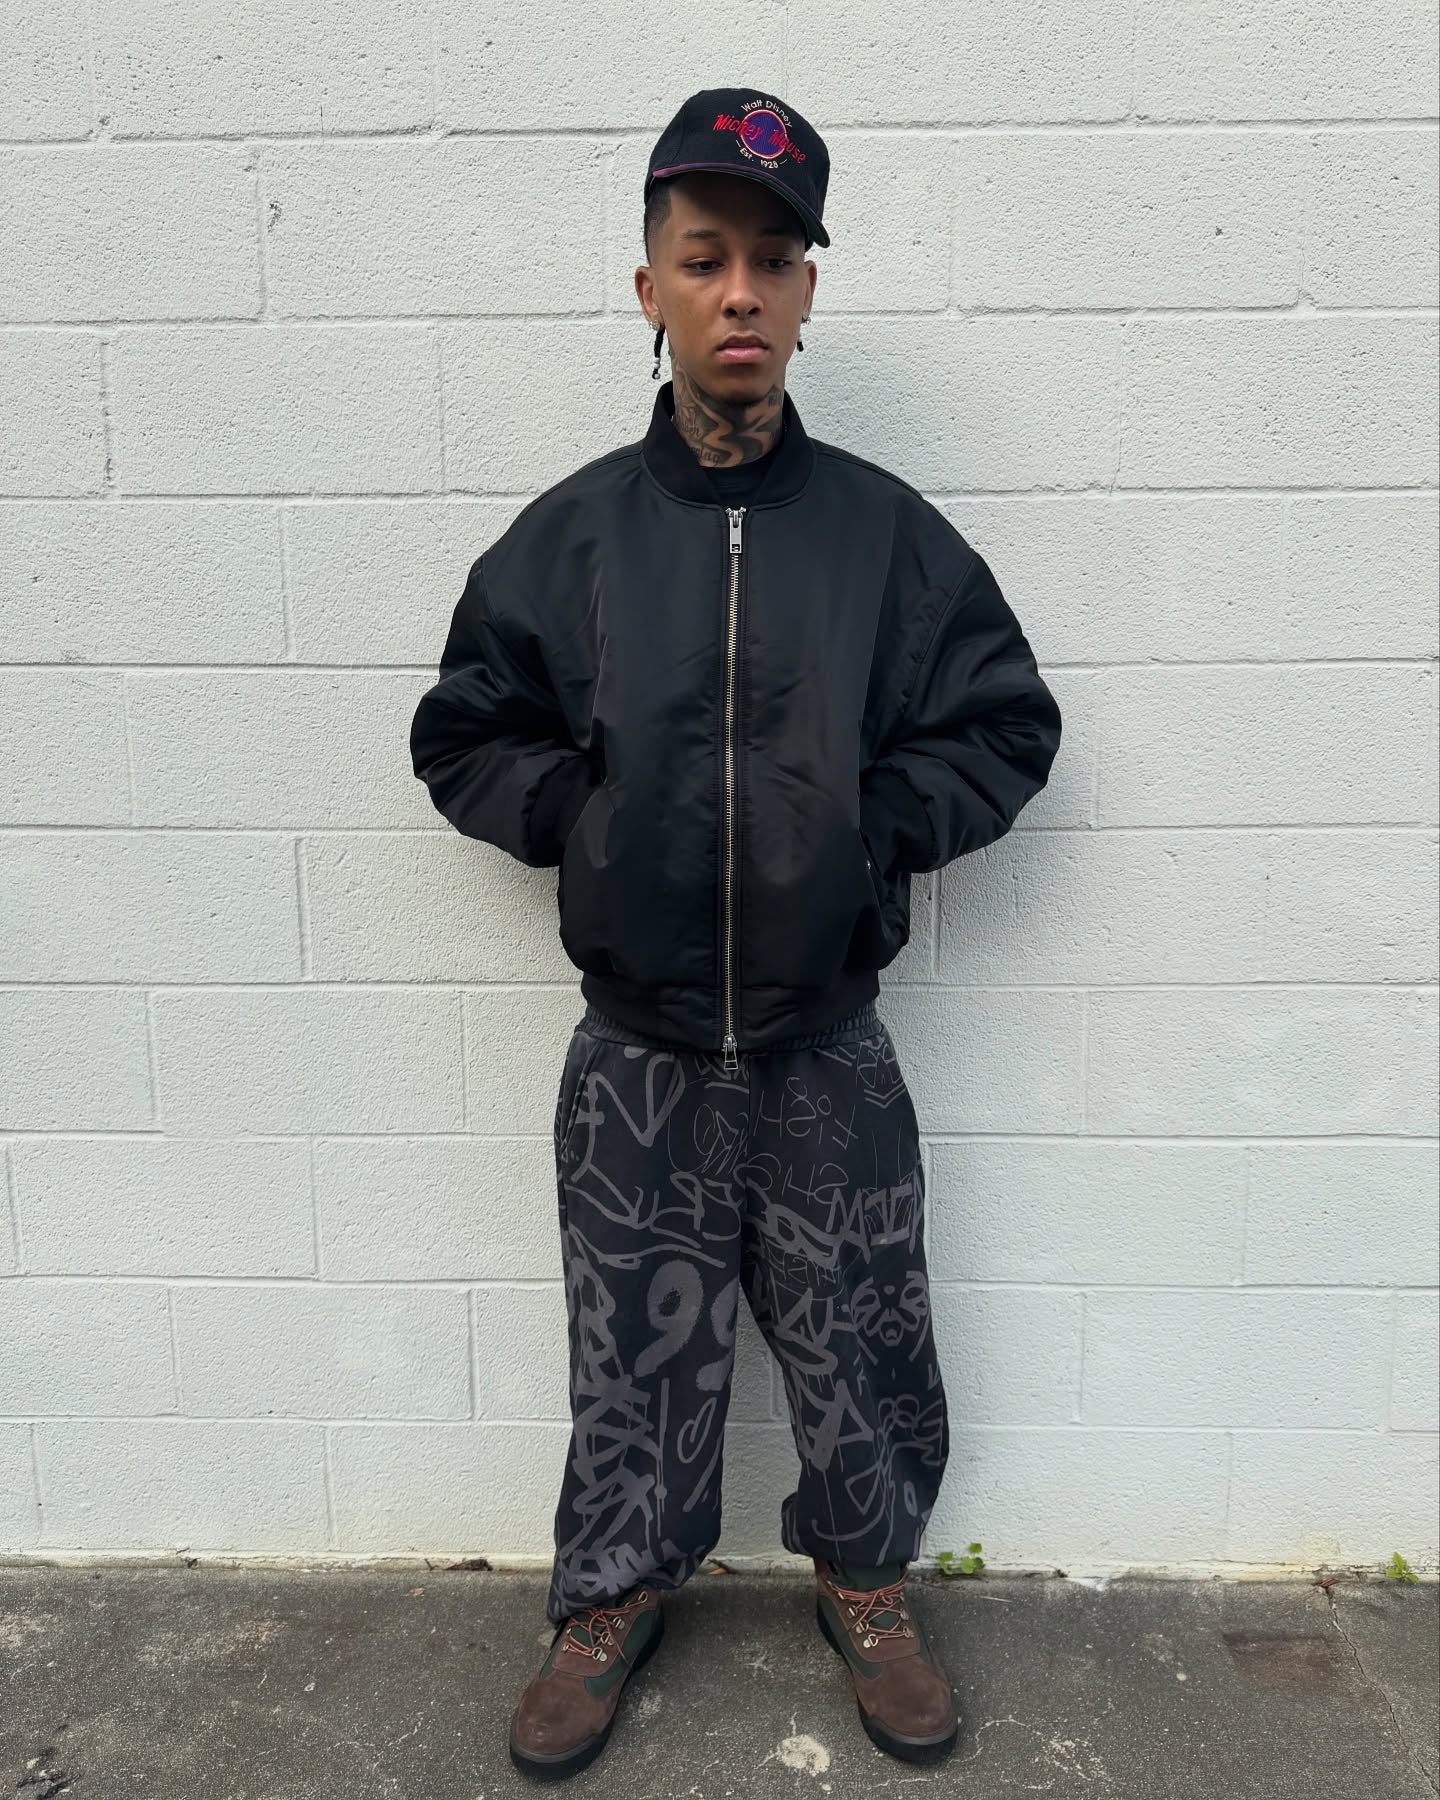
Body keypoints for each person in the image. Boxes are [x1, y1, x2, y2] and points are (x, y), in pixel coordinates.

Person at [409, 85, 1062, 1782]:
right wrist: (590, 823)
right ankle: (614, 1592)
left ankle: (866, 1579)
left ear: (808, 291)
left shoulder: (887, 541)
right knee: (630, 1348)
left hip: (822, 1038)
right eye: (706, 259)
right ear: (650, 289)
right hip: (633, 1048)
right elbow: (465, 733)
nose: (742, 293)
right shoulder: (569, 543)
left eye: (776, 259)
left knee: (862, 1333)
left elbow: (1001, 728)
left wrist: (870, 836)